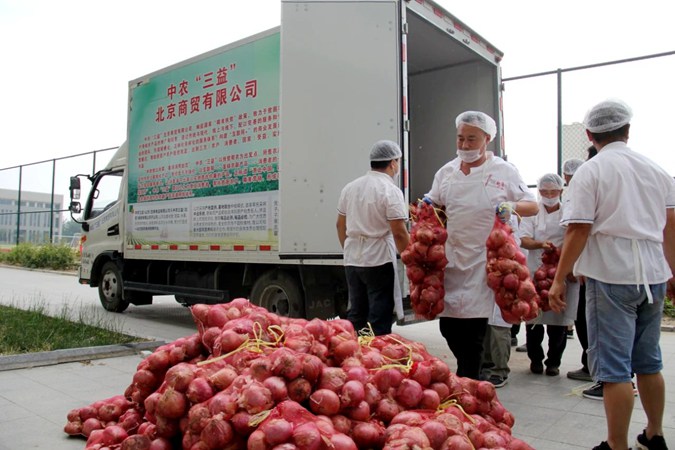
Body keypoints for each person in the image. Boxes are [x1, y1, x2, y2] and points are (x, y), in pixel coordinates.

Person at [549, 99, 675, 450]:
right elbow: (671, 226)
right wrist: (673, 271)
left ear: (589, 135)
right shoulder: (656, 170)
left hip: (610, 276)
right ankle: (654, 435)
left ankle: (616, 445)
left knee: (614, 369)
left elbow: (578, 229)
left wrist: (559, 278)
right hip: (652, 275)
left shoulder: (591, 171)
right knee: (648, 362)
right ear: (628, 131)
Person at [424, 110, 538, 379]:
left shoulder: (503, 170)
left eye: (471, 139)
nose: (464, 145)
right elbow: (434, 200)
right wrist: (426, 205)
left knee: (473, 330)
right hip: (452, 258)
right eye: (460, 138)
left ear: (487, 138)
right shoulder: (447, 172)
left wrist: (511, 206)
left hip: (485, 260)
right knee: (449, 327)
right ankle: (469, 373)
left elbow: (532, 205)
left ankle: (470, 380)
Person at [336, 140, 410, 336]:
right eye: (398, 162)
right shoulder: (390, 190)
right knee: (379, 315)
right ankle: (376, 351)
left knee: (357, 313)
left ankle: (354, 351)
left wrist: (350, 249)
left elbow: (340, 225)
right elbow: (399, 232)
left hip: (352, 259)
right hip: (378, 259)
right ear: (393, 163)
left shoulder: (350, 187)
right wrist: (411, 260)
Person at [520, 173, 579, 376]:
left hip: (561, 271)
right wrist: (540, 244)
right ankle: (535, 360)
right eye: (545, 192)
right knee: (533, 320)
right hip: (536, 271)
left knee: (558, 322)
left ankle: (554, 362)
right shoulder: (533, 212)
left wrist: (568, 264)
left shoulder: (568, 212)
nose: (549, 195)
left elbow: (575, 237)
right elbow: (524, 239)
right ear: (539, 191)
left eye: (553, 192)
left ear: (561, 191)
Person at [480, 215, 524, 387]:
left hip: (504, 277)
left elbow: (516, 249)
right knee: (483, 325)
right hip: (483, 276)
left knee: (499, 326)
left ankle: (500, 370)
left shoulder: (507, 215)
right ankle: (485, 365)